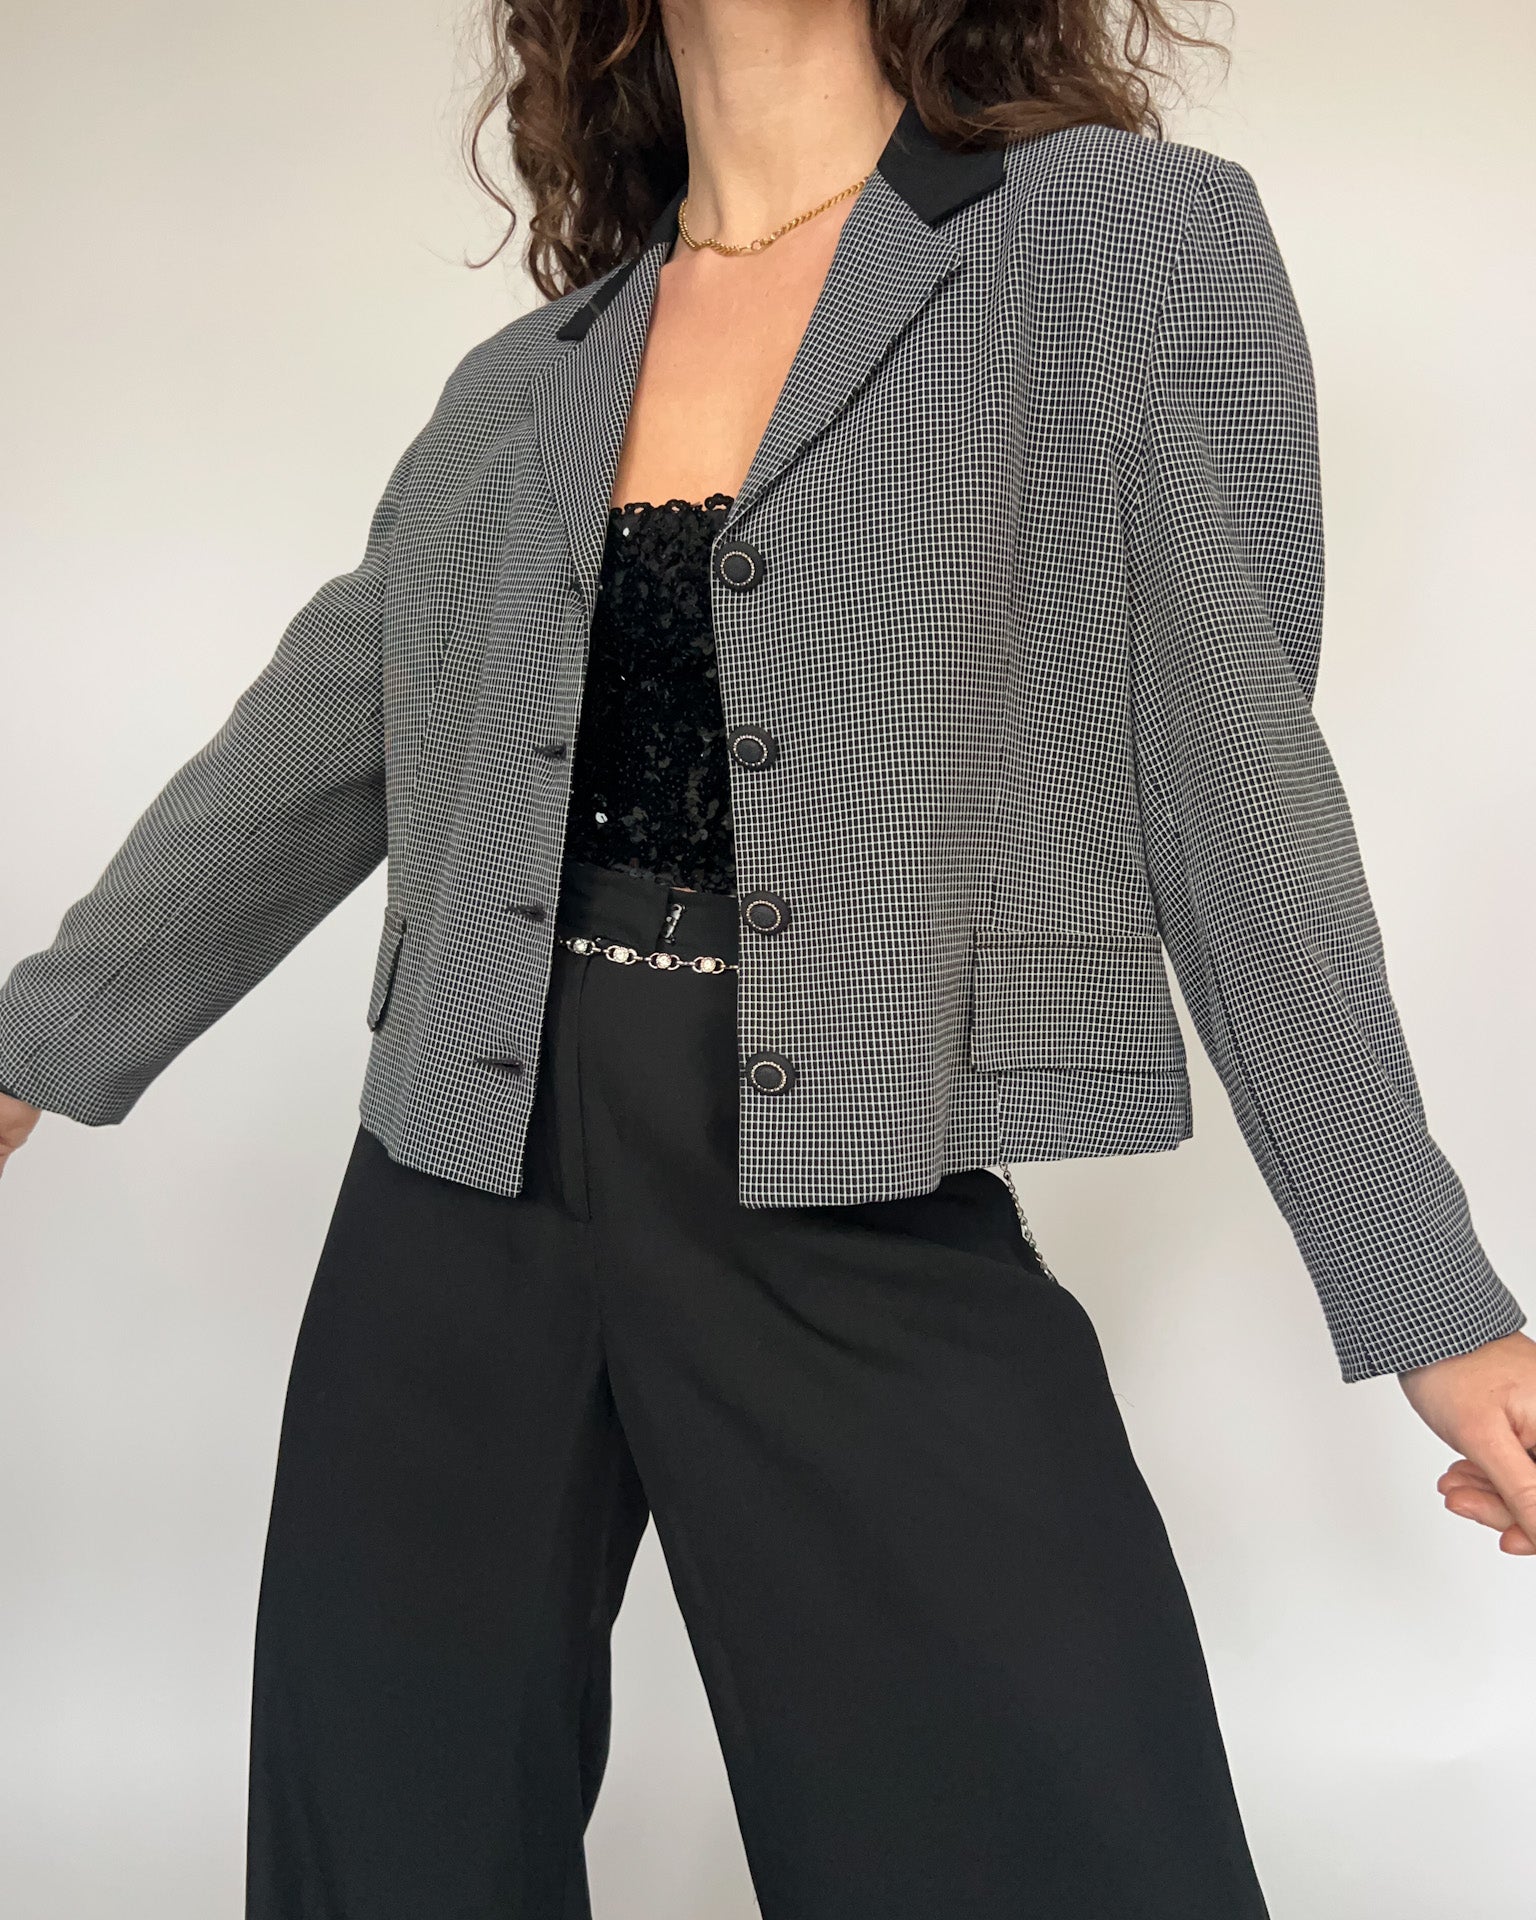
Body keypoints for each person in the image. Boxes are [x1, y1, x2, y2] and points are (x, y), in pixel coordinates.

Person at [1, 1, 1532, 1915]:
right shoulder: (527, 377)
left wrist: (1428, 1296)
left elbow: (1235, 776)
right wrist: (32, 1044)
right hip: (454, 1182)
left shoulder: (1119, 244)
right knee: (386, 1837)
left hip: (845, 1171)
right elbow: (319, 746)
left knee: (1050, 1826)